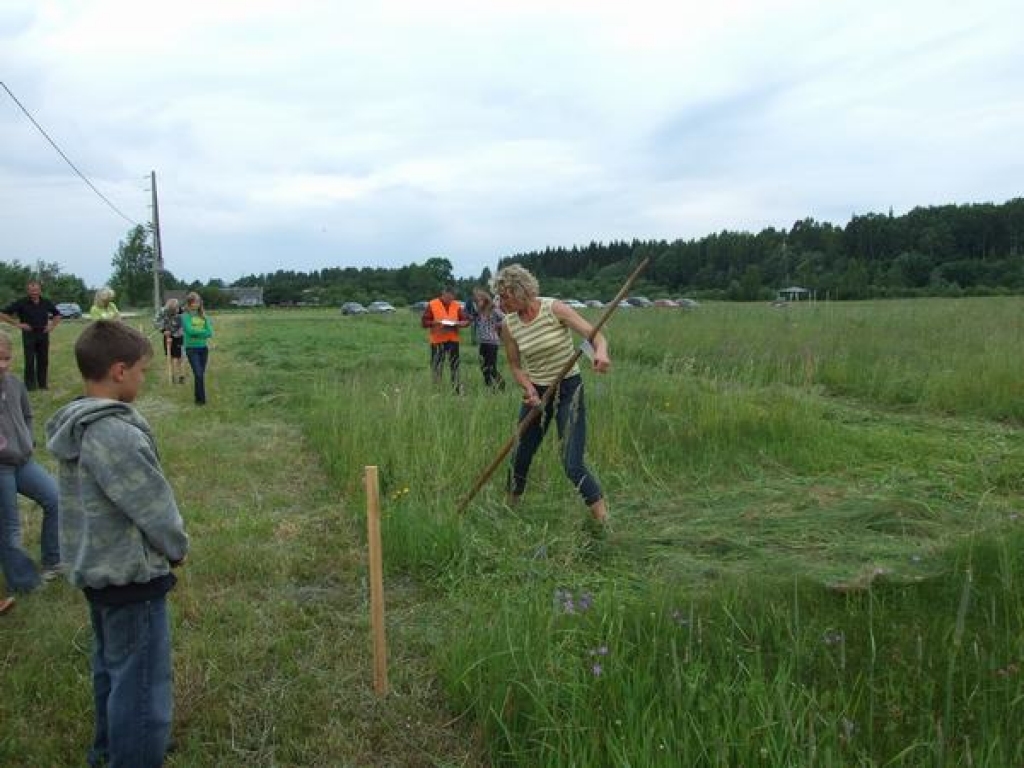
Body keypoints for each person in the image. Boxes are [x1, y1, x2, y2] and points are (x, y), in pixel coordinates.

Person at [45, 320, 189, 768]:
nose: (145, 379)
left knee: (112, 669)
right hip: (130, 574)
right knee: (142, 685)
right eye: (143, 371)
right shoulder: (115, 434)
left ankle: (107, 751)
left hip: (97, 571)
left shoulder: (79, 425)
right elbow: (151, 504)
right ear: (120, 371)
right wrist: (176, 546)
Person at [492, 264, 612, 525]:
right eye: (499, 297)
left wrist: (601, 353)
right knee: (520, 455)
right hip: (538, 395)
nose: (501, 302)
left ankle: (603, 521)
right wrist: (529, 389)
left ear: (521, 291)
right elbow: (514, 365)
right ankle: (510, 511)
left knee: (572, 462)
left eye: (505, 296)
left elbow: (596, 337)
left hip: (569, 388)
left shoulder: (553, 309)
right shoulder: (508, 325)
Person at [0, 332, 61, 594]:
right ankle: (23, 582)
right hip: (1, 467)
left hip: (23, 461)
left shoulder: (14, 383)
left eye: (6, 358)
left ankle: (54, 560)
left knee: (56, 498)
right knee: (9, 527)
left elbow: (27, 413)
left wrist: (27, 438)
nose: (2, 364)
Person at [0, 279, 61, 390]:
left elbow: (57, 315)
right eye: (31, 290)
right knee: (29, 360)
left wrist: (51, 326)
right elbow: (2, 314)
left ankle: (43, 385)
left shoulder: (46, 302)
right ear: (28, 291)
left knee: (43, 360)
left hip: (43, 333)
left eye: (36, 290)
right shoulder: (21, 302)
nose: (34, 292)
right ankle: (30, 386)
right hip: (29, 334)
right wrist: (18, 324)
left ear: (40, 290)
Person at [420, 285, 470, 393]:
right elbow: (424, 322)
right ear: (443, 294)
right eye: (448, 298)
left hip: (453, 340)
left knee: (455, 366)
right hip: (438, 341)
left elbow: (466, 320)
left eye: (452, 298)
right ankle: (436, 390)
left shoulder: (456, 305)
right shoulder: (432, 304)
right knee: (437, 366)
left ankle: (456, 390)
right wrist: (435, 322)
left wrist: (461, 323)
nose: (450, 300)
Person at [470, 287, 505, 391]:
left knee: (491, 367)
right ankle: (489, 387)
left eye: (479, 299)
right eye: (476, 300)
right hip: (483, 342)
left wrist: (498, 325)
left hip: (492, 343)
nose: (477, 302)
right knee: (483, 366)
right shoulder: (479, 311)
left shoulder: (493, 310)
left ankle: (501, 385)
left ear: (485, 299)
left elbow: (507, 319)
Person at [182, 292, 213, 405]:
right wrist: (203, 332)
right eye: (195, 302)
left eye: (198, 302)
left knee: (200, 375)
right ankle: (201, 401)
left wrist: (199, 333)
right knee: (198, 373)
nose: (197, 304)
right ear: (189, 303)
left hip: (203, 349)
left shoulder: (204, 316)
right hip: (191, 349)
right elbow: (190, 331)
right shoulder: (185, 316)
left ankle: (198, 398)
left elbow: (210, 332)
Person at [155, 298, 185, 384]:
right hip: (167, 335)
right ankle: (171, 375)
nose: (174, 312)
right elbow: (156, 322)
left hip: (178, 336)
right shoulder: (162, 311)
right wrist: (163, 330)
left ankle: (181, 376)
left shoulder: (181, 313)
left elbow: (180, 325)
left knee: (179, 357)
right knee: (170, 356)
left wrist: (171, 332)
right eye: (171, 311)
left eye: (175, 310)